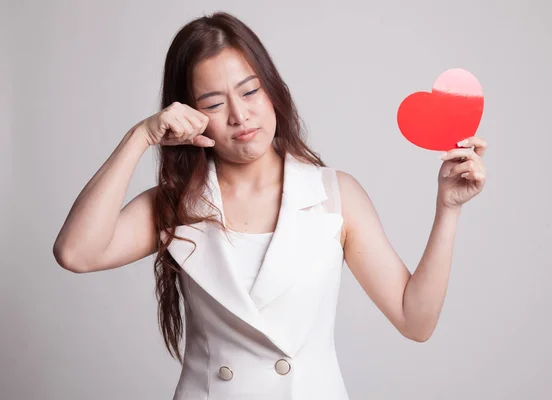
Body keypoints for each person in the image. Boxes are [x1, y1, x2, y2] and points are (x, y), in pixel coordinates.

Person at [52, 11, 488, 400]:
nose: (239, 116)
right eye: (214, 104)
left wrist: (448, 208)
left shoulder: (334, 195)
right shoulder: (175, 205)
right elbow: (76, 252)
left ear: (273, 90)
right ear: (187, 114)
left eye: (250, 91)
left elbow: (416, 321)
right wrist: (140, 136)